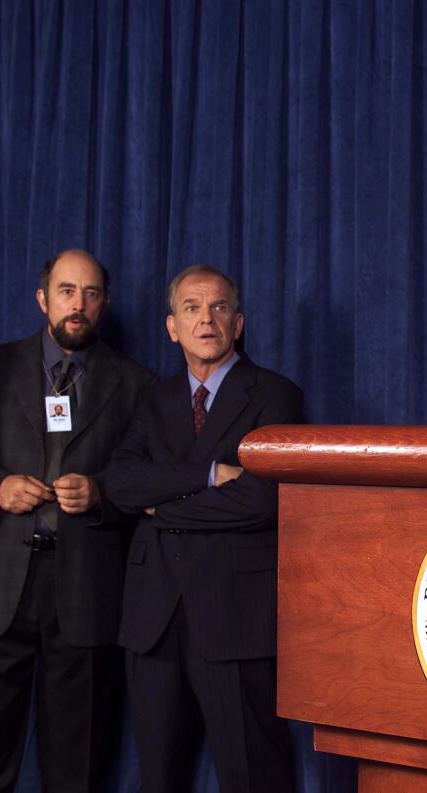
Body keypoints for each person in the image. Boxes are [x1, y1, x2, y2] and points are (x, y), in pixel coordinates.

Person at [0, 250, 155, 792]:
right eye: (67, 291)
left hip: (86, 592)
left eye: (90, 294)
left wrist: (103, 494)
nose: (78, 304)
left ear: (105, 304)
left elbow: (147, 483)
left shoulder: (136, 384)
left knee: (78, 761)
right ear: (43, 299)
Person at [106, 264, 303, 793]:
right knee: (159, 776)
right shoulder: (153, 399)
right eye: (191, 308)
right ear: (172, 326)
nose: (205, 319)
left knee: (252, 772)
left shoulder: (275, 396)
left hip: (233, 612)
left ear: (237, 323)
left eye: (218, 307)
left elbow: (261, 501)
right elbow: (122, 484)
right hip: (155, 616)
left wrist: (162, 508)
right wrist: (209, 475)